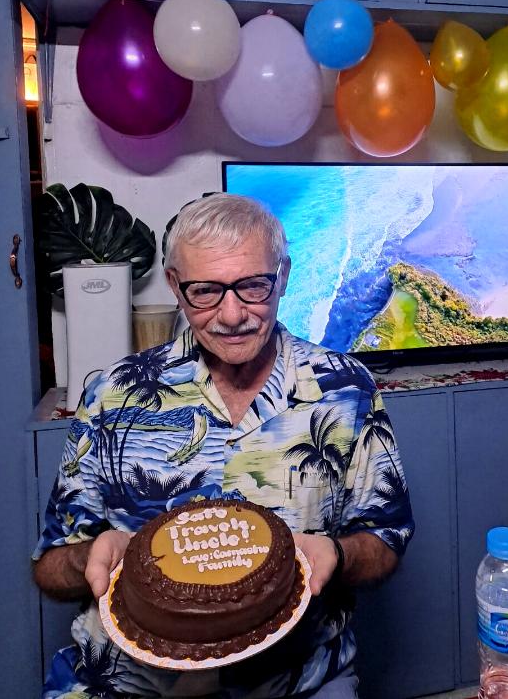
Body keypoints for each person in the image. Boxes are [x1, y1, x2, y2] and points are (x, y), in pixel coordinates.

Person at [32, 194, 414, 699]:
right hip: (128, 683)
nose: (232, 315)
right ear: (175, 285)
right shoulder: (113, 395)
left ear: (283, 276)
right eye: (206, 291)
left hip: (298, 681)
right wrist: (91, 559)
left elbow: (386, 539)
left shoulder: (346, 390)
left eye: (253, 286)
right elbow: (49, 565)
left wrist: (337, 555)